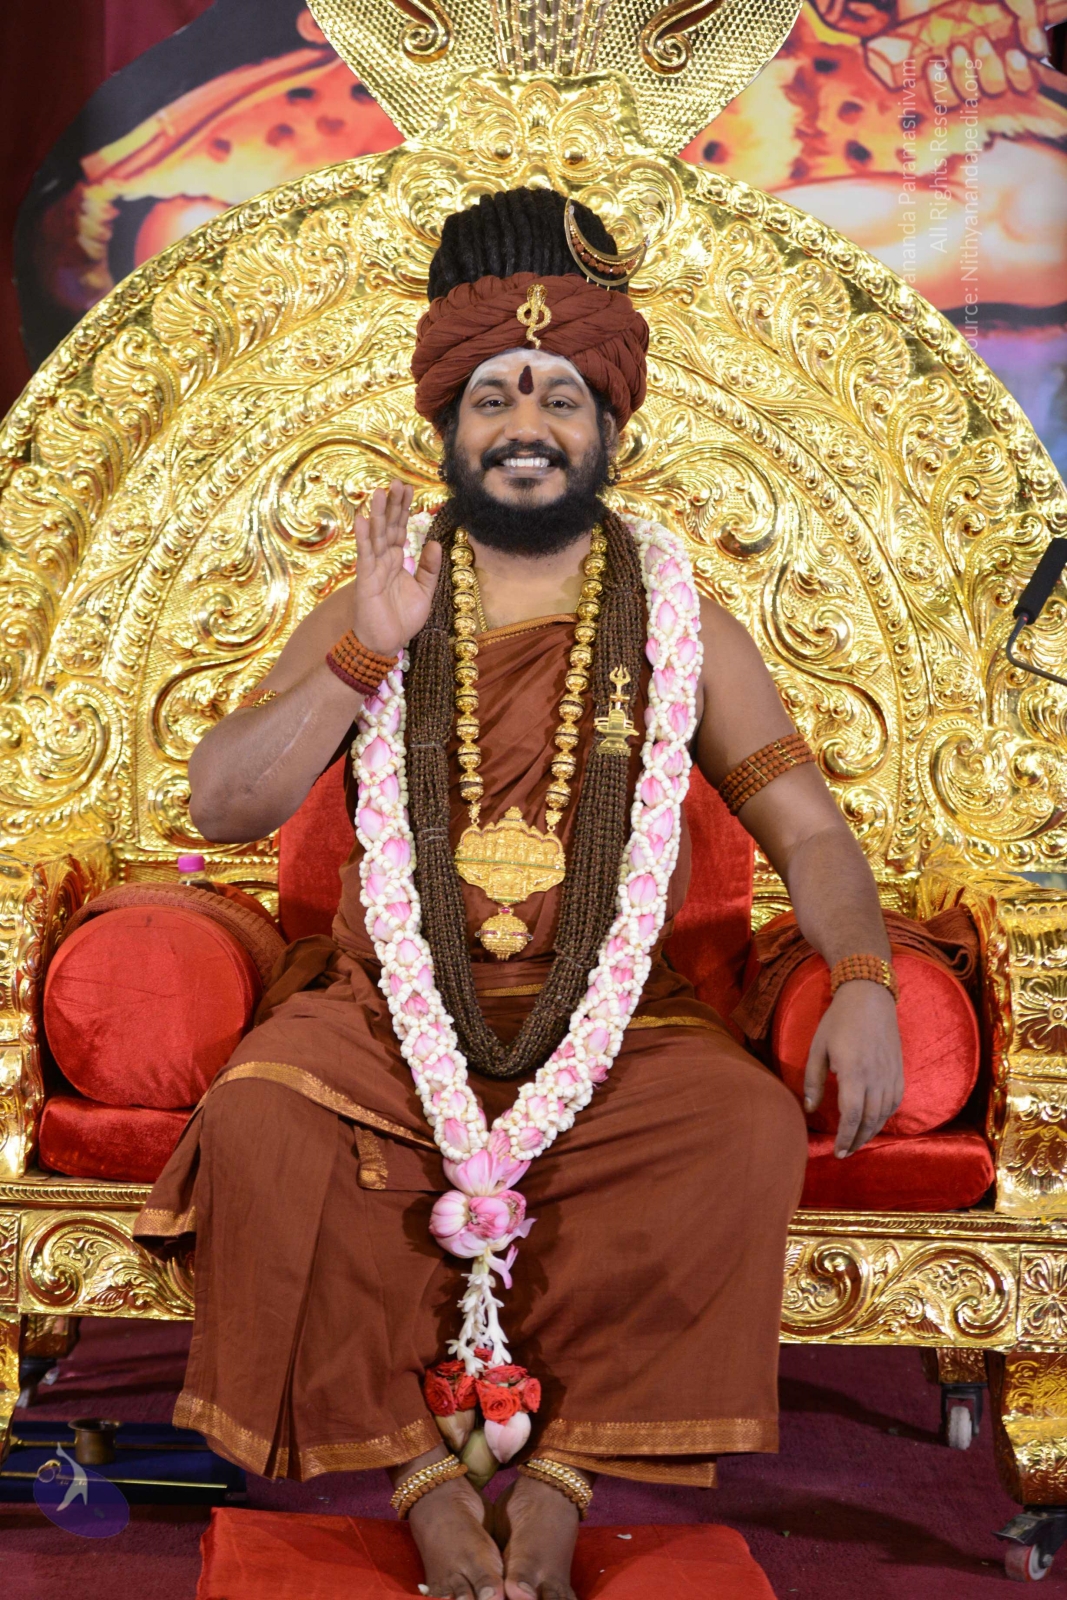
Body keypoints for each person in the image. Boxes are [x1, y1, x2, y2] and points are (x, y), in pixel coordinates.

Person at [136, 186, 903, 1600]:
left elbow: (809, 831)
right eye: (493, 396)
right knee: (260, 1123)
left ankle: (558, 1485)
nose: (526, 423)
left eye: (560, 394)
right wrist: (366, 652)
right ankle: (427, 1487)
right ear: (449, 424)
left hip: (618, 1031)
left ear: (612, 425)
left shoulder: (686, 625)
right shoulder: (378, 598)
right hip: (384, 1015)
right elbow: (223, 806)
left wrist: (862, 979)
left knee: (737, 1127)